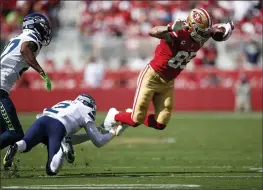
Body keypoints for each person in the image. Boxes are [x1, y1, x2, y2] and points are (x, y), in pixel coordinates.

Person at [104, 8, 234, 134]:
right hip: (152, 76)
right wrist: (169, 28)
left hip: (168, 82)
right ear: (191, 25)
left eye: (205, 31)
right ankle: (115, 115)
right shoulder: (180, 31)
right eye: (200, 31)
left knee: (161, 123)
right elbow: (152, 31)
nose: (203, 35)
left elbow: (217, 29)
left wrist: (227, 28)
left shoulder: (203, 34)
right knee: (136, 119)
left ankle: (128, 114)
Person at [3, 94, 121, 175]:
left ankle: (15, 146)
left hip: (42, 120)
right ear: (89, 104)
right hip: (58, 127)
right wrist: (112, 132)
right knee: (52, 169)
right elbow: (98, 141)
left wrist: (85, 137)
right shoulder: (86, 110)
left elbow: (70, 138)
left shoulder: (66, 102)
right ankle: (62, 150)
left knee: (26, 143)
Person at [0, 13, 52, 150]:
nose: (45, 31)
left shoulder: (17, 37)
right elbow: (24, 49)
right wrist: (42, 72)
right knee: (14, 133)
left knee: (4, 132)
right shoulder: (31, 38)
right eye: (44, 27)